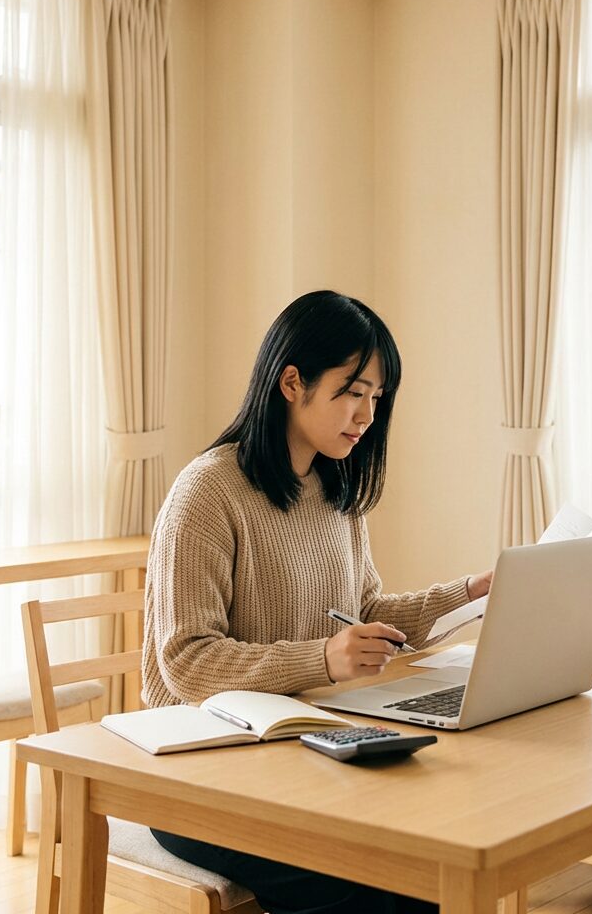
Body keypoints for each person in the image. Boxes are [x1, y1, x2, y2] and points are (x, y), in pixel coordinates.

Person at [142, 289, 493, 914]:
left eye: (376, 398)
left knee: (431, 861)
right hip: (199, 769)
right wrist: (323, 660)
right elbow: (187, 662)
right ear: (292, 382)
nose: (365, 414)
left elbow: (367, 614)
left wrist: (469, 595)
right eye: (352, 391)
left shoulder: (335, 490)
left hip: (302, 752)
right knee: (379, 889)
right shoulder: (206, 492)